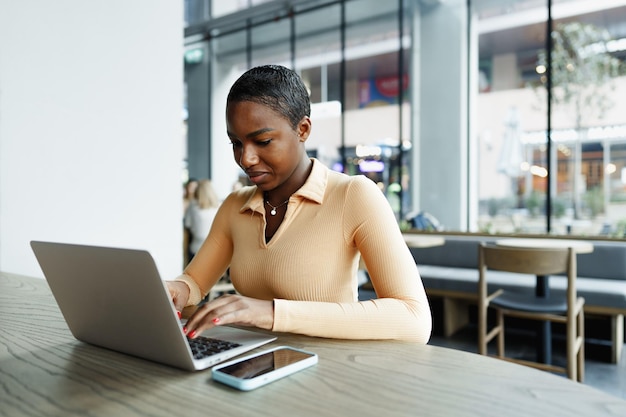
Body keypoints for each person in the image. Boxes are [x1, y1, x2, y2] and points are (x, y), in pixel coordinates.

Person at [167, 64, 431, 343]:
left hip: (327, 370)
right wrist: (178, 289)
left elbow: (413, 319)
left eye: (263, 141)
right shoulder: (235, 206)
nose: (246, 159)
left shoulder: (354, 195)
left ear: (303, 129)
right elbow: (195, 282)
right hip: (251, 367)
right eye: (236, 143)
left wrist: (272, 313)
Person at [184, 179, 221, 260]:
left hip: (196, 249)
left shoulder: (193, 206)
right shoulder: (220, 206)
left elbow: (188, 224)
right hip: (215, 250)